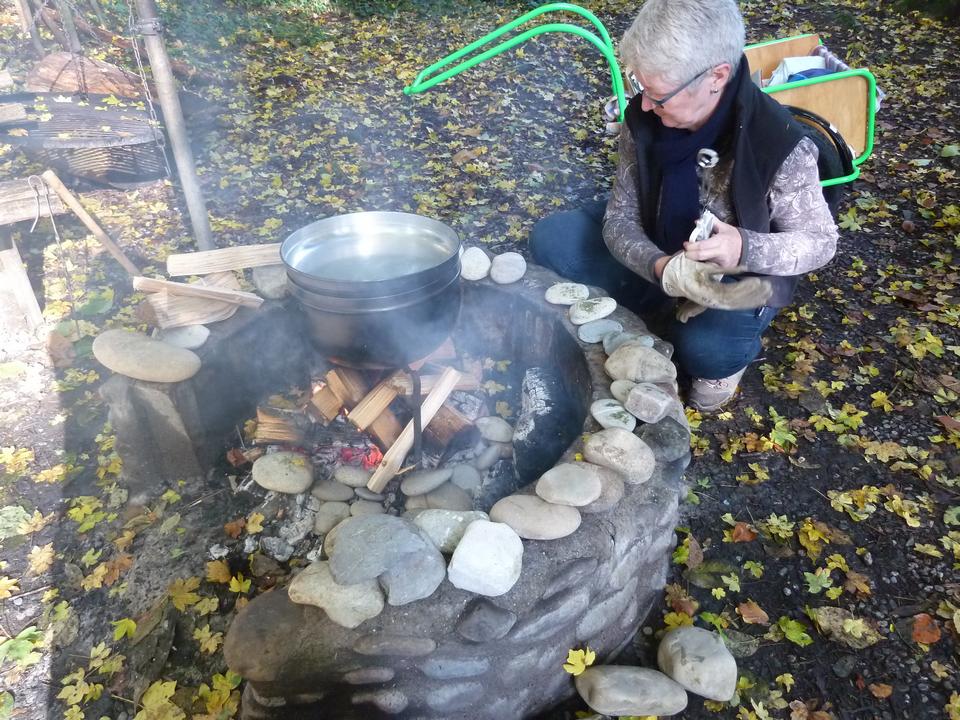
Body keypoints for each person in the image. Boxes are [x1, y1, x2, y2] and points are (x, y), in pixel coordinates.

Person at [529, 0, 839, 411]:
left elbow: (820, 242)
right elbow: (620, 216)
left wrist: (744, 247)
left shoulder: (779, 145)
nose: (644, 106)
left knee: (704, 351)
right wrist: (662, 268)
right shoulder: (645, 118)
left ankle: (709, 345)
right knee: (553, 238)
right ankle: (660, 301)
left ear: (716, 77)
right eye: (640, 87)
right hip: (657, 242)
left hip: (737, 275)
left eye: (659, 96)